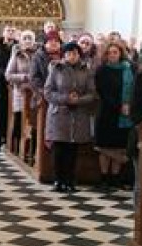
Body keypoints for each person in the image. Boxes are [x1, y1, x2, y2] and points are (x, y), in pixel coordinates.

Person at [44, 41, 96, 192]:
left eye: (74, 53)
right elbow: (48, 92)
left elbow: (92, 93)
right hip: (59, 114)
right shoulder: (56, 68)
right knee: (59, 148)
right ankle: (58, 180)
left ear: (78, 54)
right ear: (64, 55)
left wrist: (78, 100)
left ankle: (70, 180)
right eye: (68, 53)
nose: (71, 56)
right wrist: (66, 98)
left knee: (73, 150)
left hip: (78, 114)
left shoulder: (86, 70)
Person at [94, 42, 136, 191]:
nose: (112, 55)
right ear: (105, 55)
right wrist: (120, 106)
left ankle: (115, 178)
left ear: (120, 53)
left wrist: (128, 106)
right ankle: (104, 177)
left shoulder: (129, 69)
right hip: (107, 113)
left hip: (124, 116)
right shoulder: (102, 70)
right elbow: (103, 92)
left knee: (119, 148)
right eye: (109, 52)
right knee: (105, 147)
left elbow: (134, 89)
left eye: (115, 52)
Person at [5, 30, 38, 158]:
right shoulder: (17, 55)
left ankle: (32, 151)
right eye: (25, 38)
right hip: (20, 93)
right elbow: (8, 75)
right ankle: (17, 147)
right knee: (20, 121)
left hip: (35, 94)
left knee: (35, 124)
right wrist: (24, 77)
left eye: (30, 38)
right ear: (21, 41)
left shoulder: (38, 55)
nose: (28, 40)